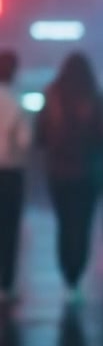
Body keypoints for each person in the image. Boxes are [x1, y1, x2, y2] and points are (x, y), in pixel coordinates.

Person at [35, 51, 103, 299]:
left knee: (64, 224)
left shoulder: (52, 96)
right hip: (87, 174)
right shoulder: (93, 97)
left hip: (59, 174)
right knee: (82, 225)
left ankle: (68, 274)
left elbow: (40, 136)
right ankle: (77, 271)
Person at [0, 49, 32, 301]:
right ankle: (5, 285)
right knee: (8, 231)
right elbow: (24, 142)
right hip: (10, 174)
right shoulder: (16, 102)